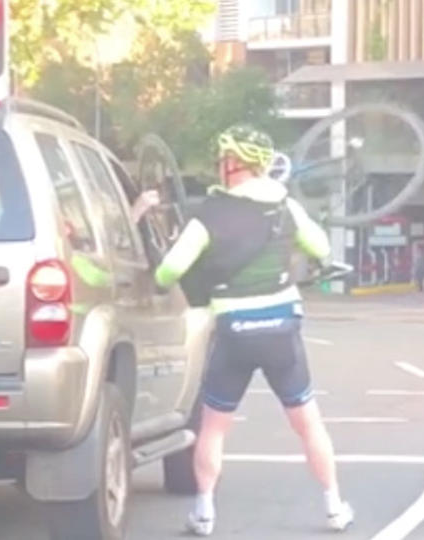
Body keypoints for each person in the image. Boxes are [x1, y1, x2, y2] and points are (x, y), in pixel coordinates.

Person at [152, 125, 354, 536]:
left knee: (213, 427)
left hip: (234, 330)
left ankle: (204, 513)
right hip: (281, 327)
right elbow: (321, 248)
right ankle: (334, 507)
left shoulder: (207, 215)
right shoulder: (286, 207)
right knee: (308, 424)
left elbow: (169, 269)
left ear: (231, 164)